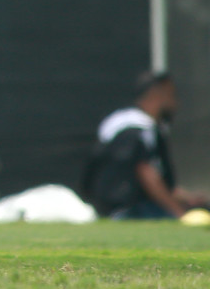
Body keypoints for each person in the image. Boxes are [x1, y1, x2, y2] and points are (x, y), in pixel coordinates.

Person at [85, 72, 210, 219]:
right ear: (158, 94)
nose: (176, 103)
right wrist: (179, 212)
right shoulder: (140, 128)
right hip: (132, 211)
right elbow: (146, 173)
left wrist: (186, 197)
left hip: (107, 208)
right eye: (172, 95)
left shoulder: (117, 122)